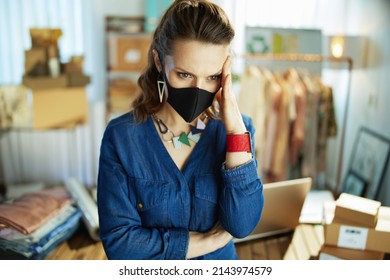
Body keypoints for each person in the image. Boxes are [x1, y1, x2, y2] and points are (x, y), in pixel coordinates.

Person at [97, 0, 264, 260]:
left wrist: (234, 129)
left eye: (212, 77)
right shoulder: (122, 138)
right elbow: (119, 244)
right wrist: (208, 241)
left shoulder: (238, 132)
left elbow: (242, 225)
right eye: (184, 75)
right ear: (159, 61)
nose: (199, 90)